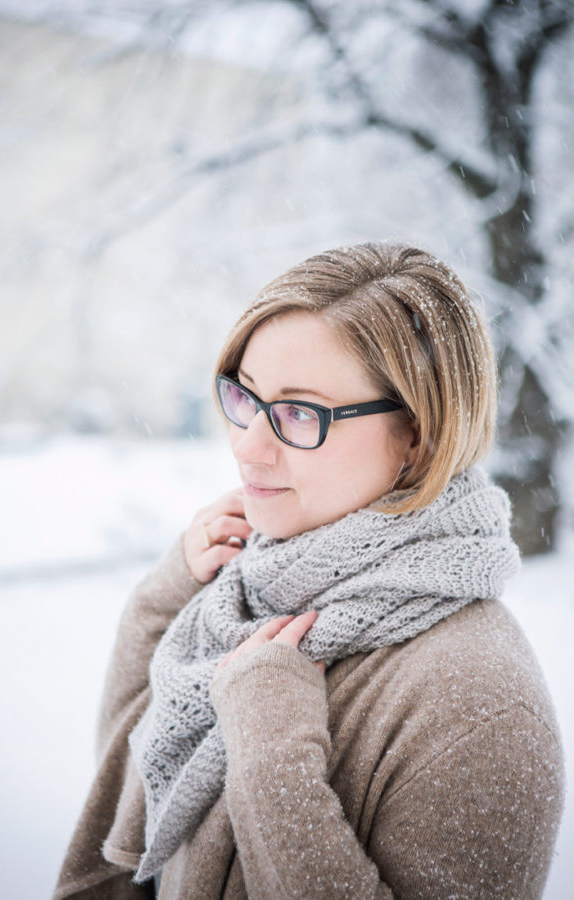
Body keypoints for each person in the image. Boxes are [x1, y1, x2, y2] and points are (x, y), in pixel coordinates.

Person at [54, 242, 564, 900]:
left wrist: (272, 758)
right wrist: (167, 597)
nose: (246, 446)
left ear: (419, 437)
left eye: (299, 414)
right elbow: (144, 781)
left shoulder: (481, 702)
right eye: (246, 397)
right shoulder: (252, 586)